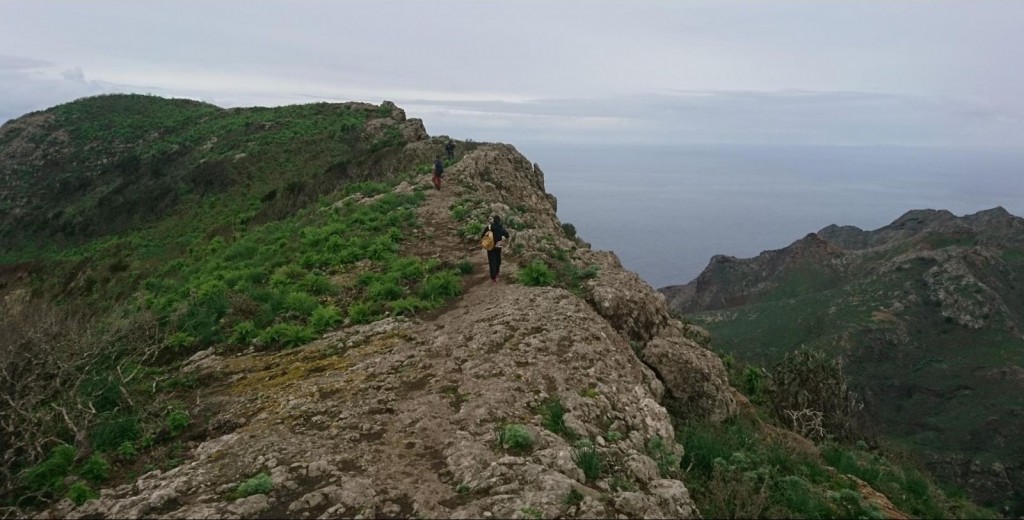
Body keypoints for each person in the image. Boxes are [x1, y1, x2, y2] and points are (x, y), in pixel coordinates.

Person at [481, 215, 510, 284]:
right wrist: (502, 238)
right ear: (499, 221)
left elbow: (482, 235)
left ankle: (493, 278)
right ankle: (497, 273)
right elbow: (507, 235)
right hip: (498, 245)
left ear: (493, 220)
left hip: (490, 246)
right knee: (498, 260)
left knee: (492, 262)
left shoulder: (489, 227)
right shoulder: (501, 228)